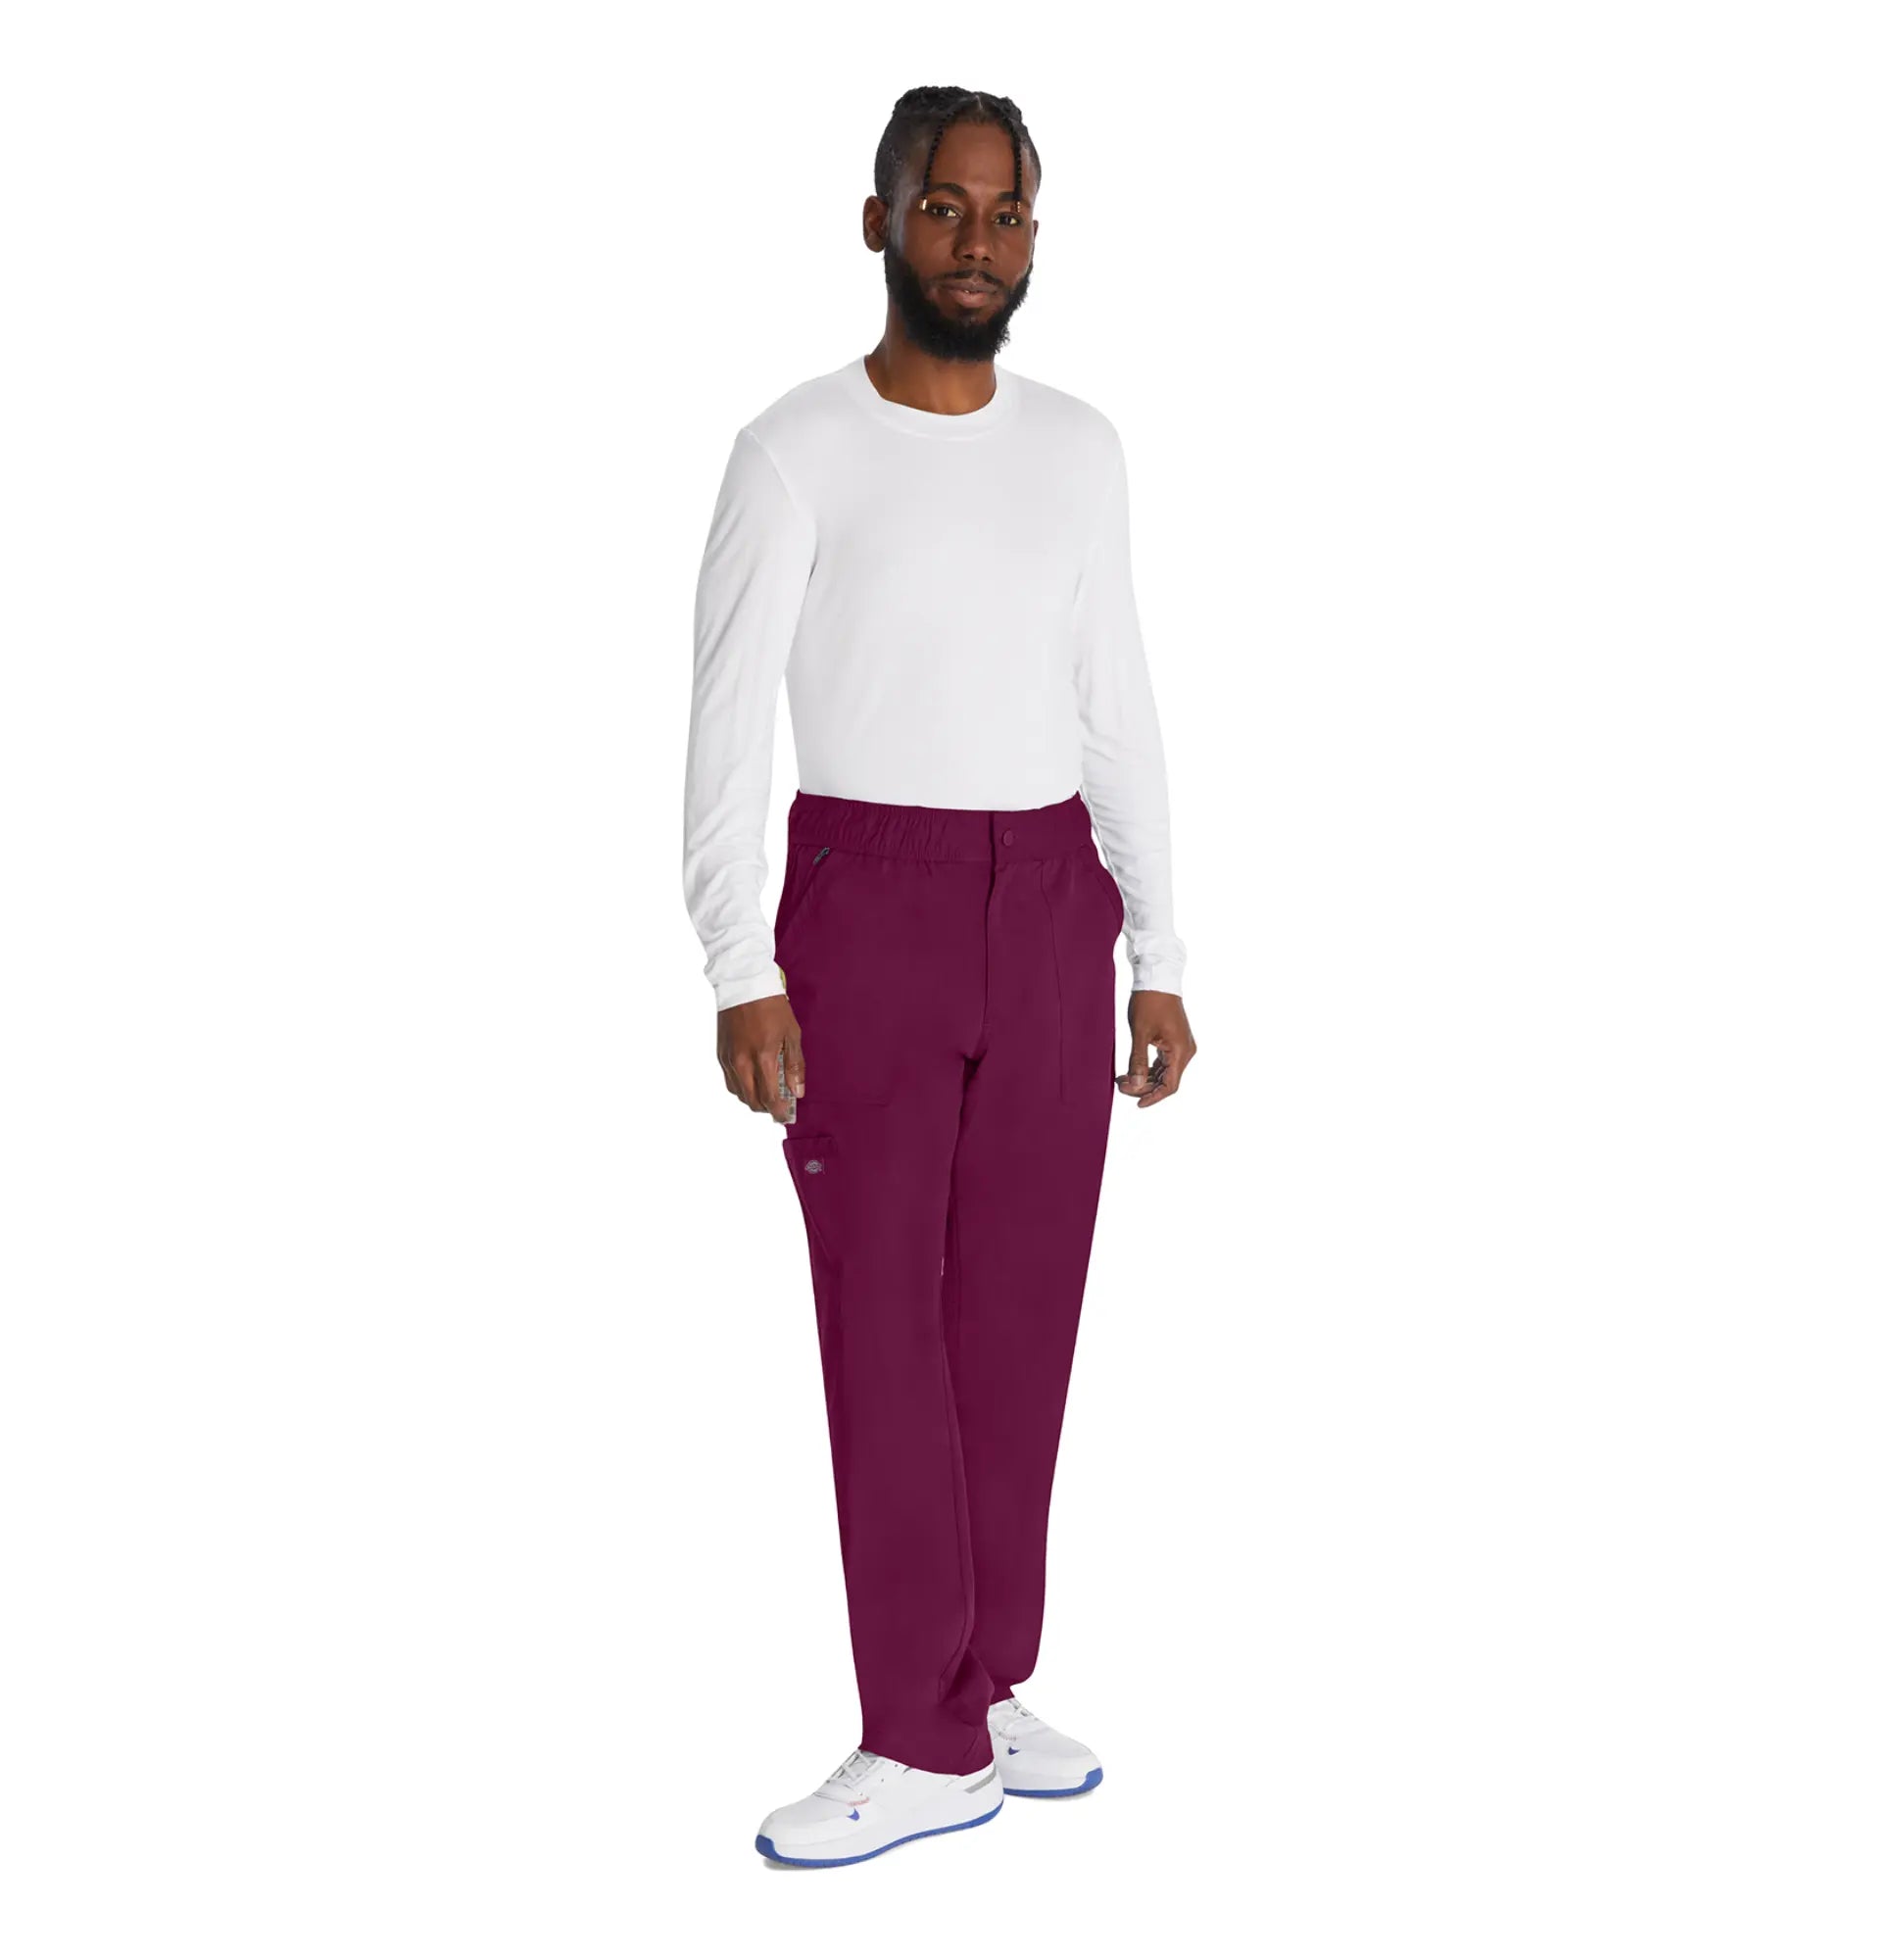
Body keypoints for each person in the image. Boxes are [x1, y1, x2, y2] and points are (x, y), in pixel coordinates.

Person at [682, 85, 1196, 1868]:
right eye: (946, 206)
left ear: (1034, 234)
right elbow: (724, 727)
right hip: (867, 903)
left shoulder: (1081, 450)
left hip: (1050, 898)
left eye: (1007, 212)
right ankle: (915, 1732)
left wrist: (1160, 944)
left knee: (1019, 1318)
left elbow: (1115, 694)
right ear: (881, 219)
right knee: (884, 1322)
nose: (978, 242)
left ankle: (981, 1685)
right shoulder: (793, 452)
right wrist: (738, 961)